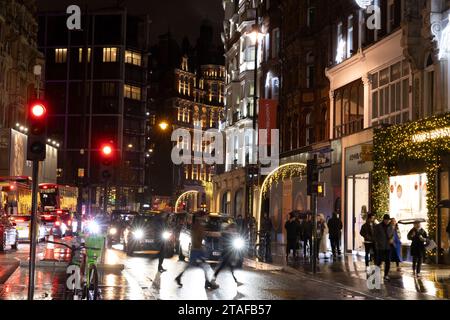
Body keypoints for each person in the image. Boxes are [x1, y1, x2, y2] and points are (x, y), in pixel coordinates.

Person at [175, 215, 219, 290]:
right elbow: (196, 239)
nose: (203, 220)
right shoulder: (196, 227)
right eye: (201, 219)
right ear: (198, 219)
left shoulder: (197, 227)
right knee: (202, 266)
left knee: (202, 266)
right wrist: (200, 247)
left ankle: (206, 283)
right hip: (196, 250)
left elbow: (203, 235)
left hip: (197, 250)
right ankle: (207, 283)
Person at [374, 214, 394, 281]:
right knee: (379, 261)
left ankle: (386, 275)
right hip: (380, 247)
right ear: (384, 219)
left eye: (388, 220)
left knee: (388, 261)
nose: (387, 221)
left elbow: (392, 235)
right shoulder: (378, 226)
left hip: (388, 247)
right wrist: (377, 243)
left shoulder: (391, 226)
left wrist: (392, 239)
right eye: (386, 220)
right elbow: (375, 236)